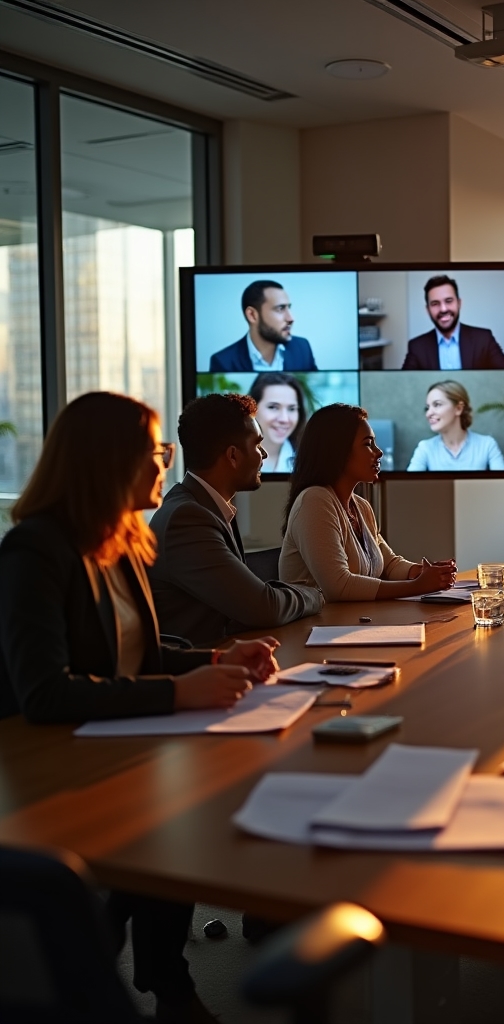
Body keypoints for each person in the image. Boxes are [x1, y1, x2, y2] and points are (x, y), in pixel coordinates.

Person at [0, 391, 278, 1024]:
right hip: (44, 765)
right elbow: (44, 693)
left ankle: (165, 983)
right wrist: (179, 692)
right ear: (110, 461)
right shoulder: (34, 553)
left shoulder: (120, 541)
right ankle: (161, 984)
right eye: (157, 453)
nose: (166, 467)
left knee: (175, 806)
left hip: (112, 738)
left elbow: (142, 654)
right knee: (168, 814)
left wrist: (214, 663)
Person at [148, 393, 323, 647]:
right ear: (232, 455)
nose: (263, 454)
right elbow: (264, 608)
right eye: (257, 444)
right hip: (198, 671)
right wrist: (315, 595)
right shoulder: (187, 518)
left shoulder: (203, 506)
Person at [280, 404, 458, 600]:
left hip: (351, 623)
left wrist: (424, 572)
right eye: (368, 444)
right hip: (314, 628)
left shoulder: (360, 506)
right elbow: (339, 586)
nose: (379, 452)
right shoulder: (314, 501)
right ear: (337, 451)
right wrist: (417, 586)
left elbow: (389, 564)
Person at [402, 275, 504, 370]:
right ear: (428, 310)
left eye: (449, 301)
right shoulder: (417, 347)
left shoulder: (483, 339)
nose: (443, 309)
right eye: (435, 304)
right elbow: (402, 384)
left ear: (459, 303)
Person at [208, 280, 317, 372]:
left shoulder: (302, 348)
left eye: (289, 308)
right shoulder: (223, 362)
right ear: (252, 315)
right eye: (280, 309)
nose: (291, 318)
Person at [407, 380, 504, 471]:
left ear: (458, 409)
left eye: (437, 404)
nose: (428, 413)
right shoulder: (425, 448)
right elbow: (408, 486)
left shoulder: (487, 445)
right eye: (427, 408)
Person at [249, 371, 306, 472]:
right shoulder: (231, 459)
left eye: (291, 409)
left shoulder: (307, 460)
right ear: (252, 409)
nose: (284, 419)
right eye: (273, 407)